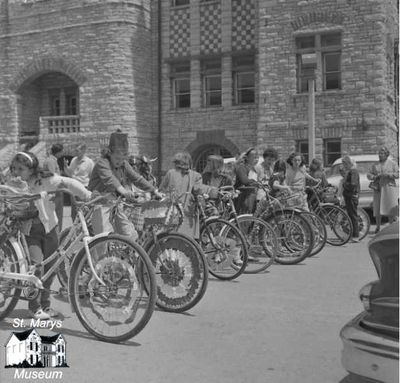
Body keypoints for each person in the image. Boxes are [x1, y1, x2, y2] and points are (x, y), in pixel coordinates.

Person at [9, 151, 92, 320]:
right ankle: (34, 307)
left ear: (31, 169)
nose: (18, 172)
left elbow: (68, 182)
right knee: (37, 267)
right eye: (15, 168)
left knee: (51, 267)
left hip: (51, 228)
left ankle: (45, 305)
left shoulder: (46, 180)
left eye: (21, 169)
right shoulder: (16, 184)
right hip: (31, 231)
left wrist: (87, 195)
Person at [88, 131, 161, 240]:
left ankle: (122, 254)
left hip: (114, 203)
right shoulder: (102, 163)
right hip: (99, 202)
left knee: (130, 235)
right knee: (103, 237)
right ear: (109, 153)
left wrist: (154, 190)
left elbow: (136, 178)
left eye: (123, 159)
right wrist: (124, 191)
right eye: (117, 158)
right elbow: (110, 179)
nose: (120, 162)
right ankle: (99, 256)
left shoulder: (124, 164)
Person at [367, 146, 399, 233]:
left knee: (390, 207)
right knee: (377, 207)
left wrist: (388, 175)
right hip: (378, 188)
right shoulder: (375, 164)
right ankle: (377, 227)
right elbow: (368, 175)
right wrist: (374, 176)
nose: (380, 155)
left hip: (389, 188)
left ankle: (391, 226)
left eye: (382, 153)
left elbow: (397, 174)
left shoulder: (393, 163)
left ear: (386, 154)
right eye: (379, 153)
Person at [64, 143, 94, 220]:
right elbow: (70, 173)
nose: (75, 152)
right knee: (74, 212)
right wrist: (65, 166)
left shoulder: (89, 162)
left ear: (83, 151)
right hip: (73, 188)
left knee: (84, 210)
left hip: (83, 188)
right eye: (75, 150)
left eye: (77, 150)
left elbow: (92, 176)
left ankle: (85, 229)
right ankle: (75, 229)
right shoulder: (73, 160)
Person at [43, 143, 64, 231]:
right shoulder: (51, 161)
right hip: (55, 193)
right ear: (58, 152)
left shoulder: (51, 160)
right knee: (56, 215)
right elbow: (53, 177)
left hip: (54, 191)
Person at [234, 147, 259, 214]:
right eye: (254, 157)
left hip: (252, 197)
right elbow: (244, 181)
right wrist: (256, 182)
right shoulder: (242, 167)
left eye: (257, 157)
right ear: (247, 158)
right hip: (243, 198)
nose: (256, 159)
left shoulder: (253, 169)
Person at [342, 155, 360, 242]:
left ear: (349, 163)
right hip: (349, 195)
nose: (344, 166)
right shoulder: (351, 171)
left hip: (351, 196)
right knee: (351, 215)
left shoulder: (353, 171)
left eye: (345, 164)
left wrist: (344, 184)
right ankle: (353, 235)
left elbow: (353, 184)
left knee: (353, 215)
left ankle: (356, 235)